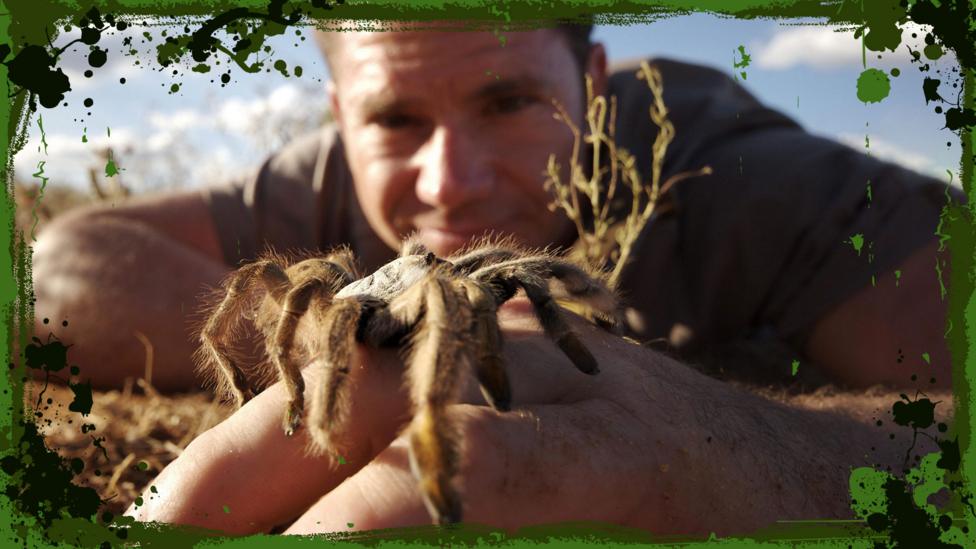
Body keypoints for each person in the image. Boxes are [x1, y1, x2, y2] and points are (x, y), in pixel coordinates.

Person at [32, 22, 955, 535]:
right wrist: (323, 359)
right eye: (393, 118)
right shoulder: (326, 178)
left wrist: (721, 434)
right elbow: (59, 269)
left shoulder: (755, 183)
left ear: (593, 83)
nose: (449, 183)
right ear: (340, 113)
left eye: (510, 100)